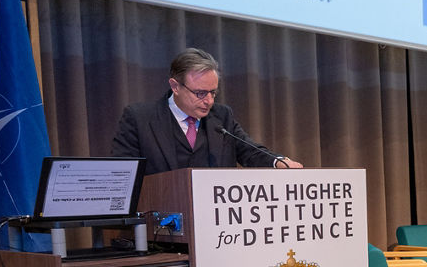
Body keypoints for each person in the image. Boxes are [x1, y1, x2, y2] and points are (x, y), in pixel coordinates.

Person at [111, 48, 303, 174]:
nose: (209, 101)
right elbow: (123, 175)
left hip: (216, 225)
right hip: (160, 227)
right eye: (200, 93)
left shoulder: (221, 117)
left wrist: (278, 162)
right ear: (175, 86)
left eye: (213, 92)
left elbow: (249, 151)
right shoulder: (140, 118)